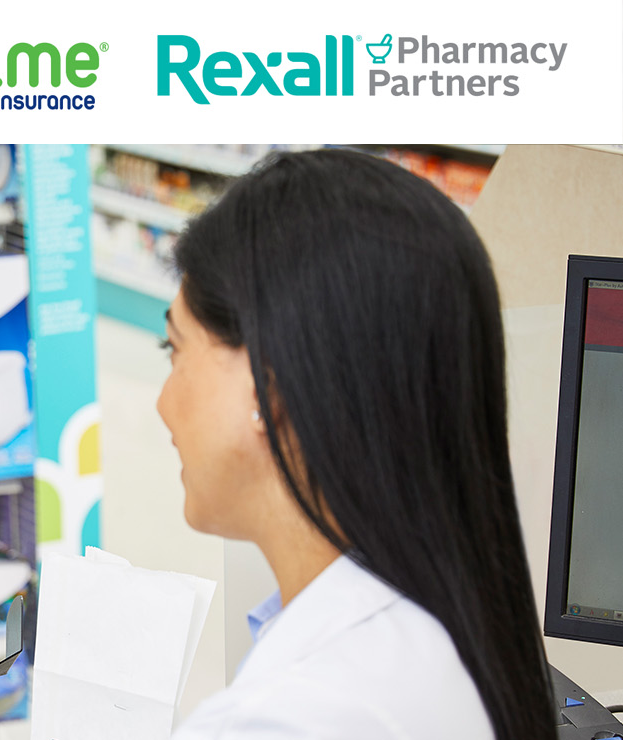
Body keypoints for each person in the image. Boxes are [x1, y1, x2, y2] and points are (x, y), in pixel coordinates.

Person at [158, 148, 553, 740]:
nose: (163, 402)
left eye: (175, 350)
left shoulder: (284, 718)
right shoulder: (446, 623)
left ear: (271, 391)